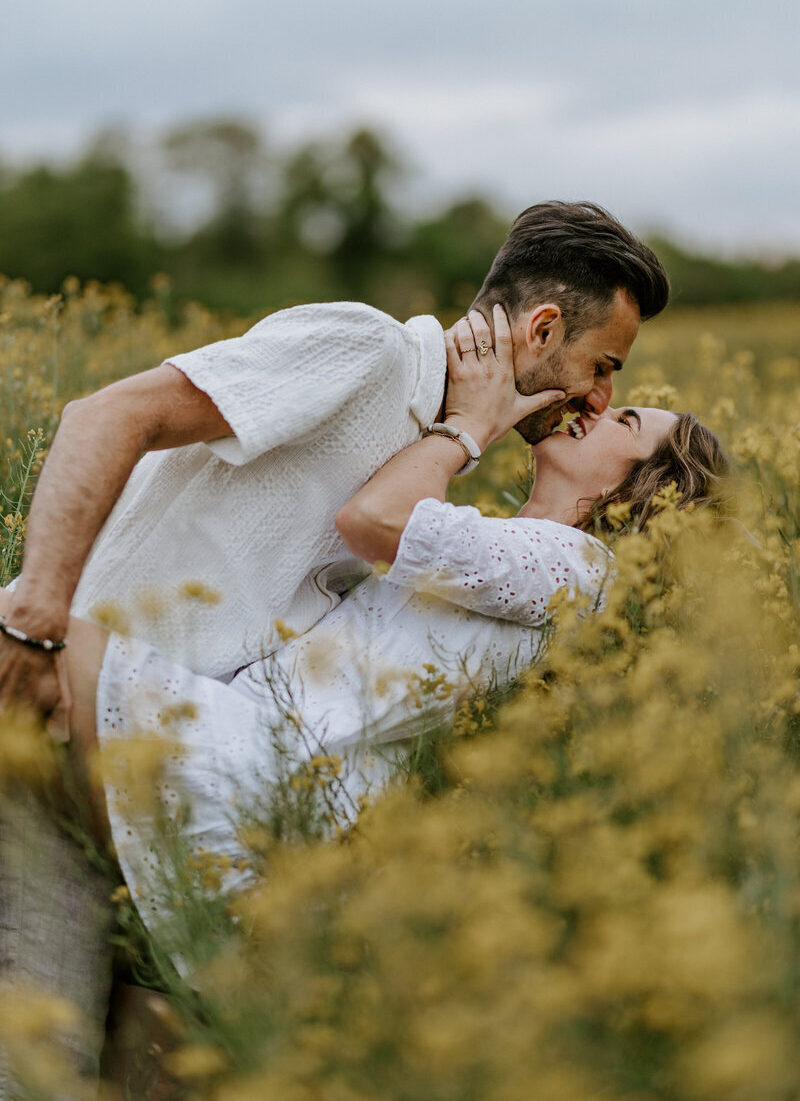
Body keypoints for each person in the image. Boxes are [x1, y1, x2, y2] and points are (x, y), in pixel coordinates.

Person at [0, 307, 727, 1097]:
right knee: (85, 1049)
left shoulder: (580, 569)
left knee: (31, 640)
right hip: (258, 775)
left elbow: (374, 518)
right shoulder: (516, 553)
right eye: (609, 387)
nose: (597, 408)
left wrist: (469, 427)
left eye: (627, 421)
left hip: (255, 778)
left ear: (646, 490)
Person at [0, 201, 670, 723]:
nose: (601, 398)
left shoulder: (431, 453)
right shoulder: (370, 353)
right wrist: (33, 623)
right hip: (49, 685)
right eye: (601, 368)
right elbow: (106, 417)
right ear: (543, 330)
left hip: (130, 752)